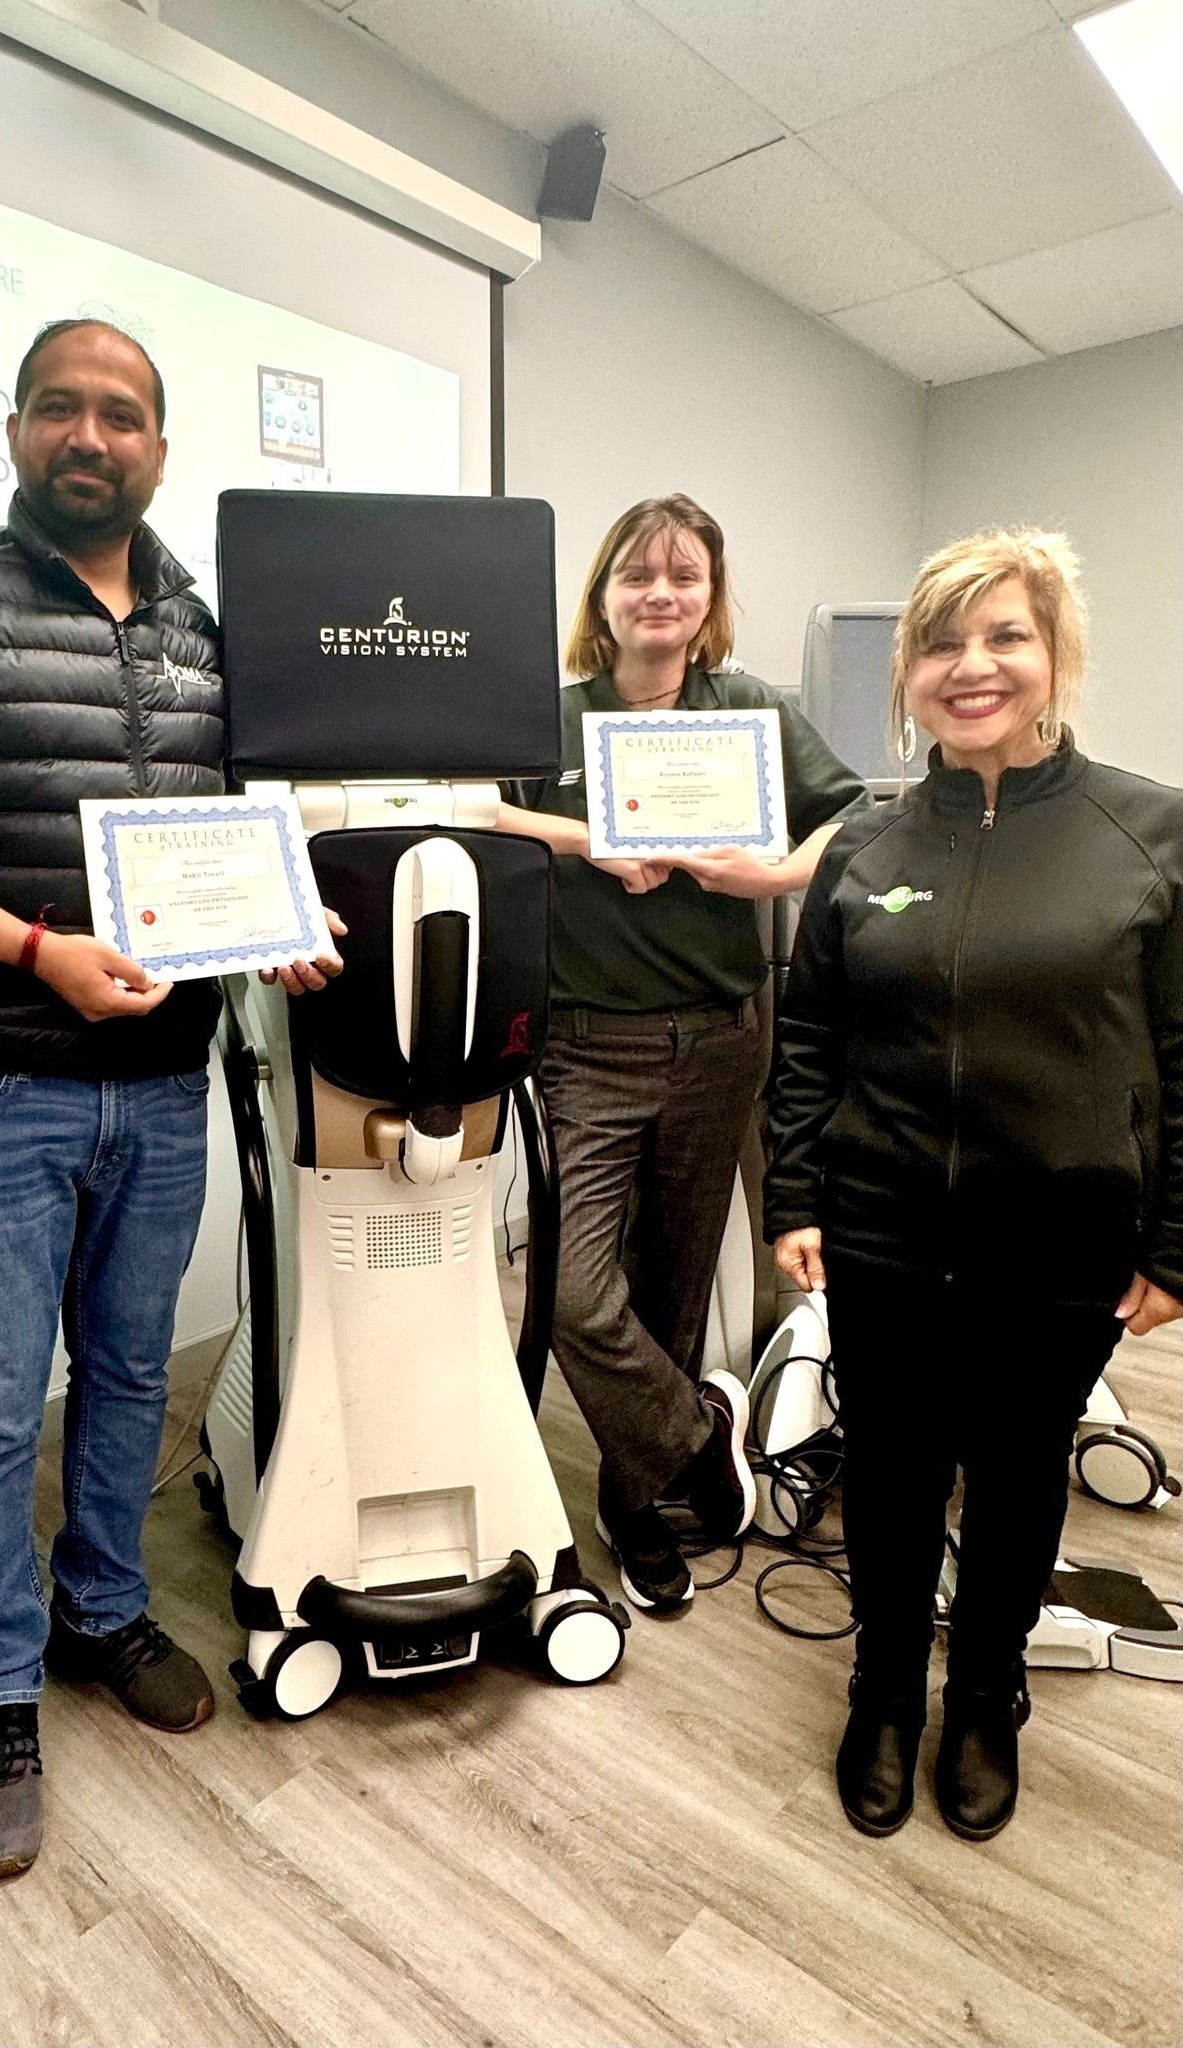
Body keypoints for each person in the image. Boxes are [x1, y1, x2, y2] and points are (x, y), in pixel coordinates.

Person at [0, 318, 341, 1884]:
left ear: (159, 450)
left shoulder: (205, 628)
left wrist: (281, 919)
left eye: (121, 416)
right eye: (60, 410)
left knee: (124, 1380)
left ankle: (101, 1612)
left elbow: (248, 834)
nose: (89, 436)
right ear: (16, 428)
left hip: (163, 1090)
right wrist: (34, 946)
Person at [766, 529, 1183, 1841]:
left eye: (1005, 634)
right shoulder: (866, 849)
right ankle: (885, 1686)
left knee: (1016, 1477)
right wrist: (793, 1197)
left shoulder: (1150, 833)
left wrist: (1177, 1245)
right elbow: (809, 1040)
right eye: (942, 641)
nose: (973, 664)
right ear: (909, 673)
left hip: (1061, 1237)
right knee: (891, 1472)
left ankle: (987, 1694)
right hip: (884, 1230)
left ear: (1056, 657)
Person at [502, 494, 863, 1612]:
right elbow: (471, 807)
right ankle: (694, 1438)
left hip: (717, 1044)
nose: (660, 594)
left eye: (685, 577)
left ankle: (627, 1496)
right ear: (601, 595)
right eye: (637, 575)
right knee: (569, 1295)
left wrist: (761, 875)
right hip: (584, 1049)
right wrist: (588, 839)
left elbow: (853, 822)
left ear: (710, 598)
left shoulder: (749, 707)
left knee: (668, 1289)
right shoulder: (545, 716)